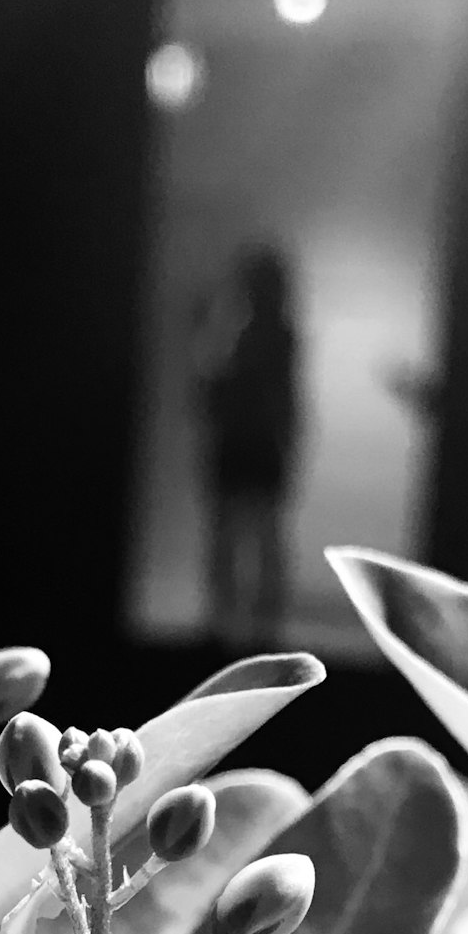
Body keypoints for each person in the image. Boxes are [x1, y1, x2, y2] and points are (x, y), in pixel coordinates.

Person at [193, 244, 302, 646]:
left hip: (249, 446)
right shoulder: (265, 335)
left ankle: (245, 630)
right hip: (253, 447)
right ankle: (241, 628)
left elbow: (249, 396)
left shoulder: (263, 337)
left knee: (247, 539)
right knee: (246, 539)